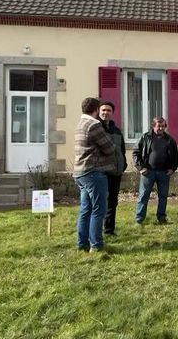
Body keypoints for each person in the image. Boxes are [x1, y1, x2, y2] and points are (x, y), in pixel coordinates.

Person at [73, 97, 115, 252]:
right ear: (96, 109)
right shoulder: (94, 124)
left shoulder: (80, 124)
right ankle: (96, 245)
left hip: (80, 172)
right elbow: (109, 148)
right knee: (99, 210)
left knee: (86, 209)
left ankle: (82, 244)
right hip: (93, 172)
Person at [133, 117, 178, 224]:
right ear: (153, 126)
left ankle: (161, 217)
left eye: (163, 126)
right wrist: (141, 168)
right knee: (144, 195)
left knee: (163, 196)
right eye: (159, 126)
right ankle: (139, 219)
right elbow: (136, 152)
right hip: (148, 172)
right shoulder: (145, 137)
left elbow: (175, 156)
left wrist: (172, 168)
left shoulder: (170, 140)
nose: (161, 128)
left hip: (164, 173)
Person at [99, 101, 127, 235]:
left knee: (113, 201)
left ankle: (109, 229)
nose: (106, 113)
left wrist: (124, 164)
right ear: (99, 111)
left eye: (108, 110)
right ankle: (97, 230)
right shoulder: (96, 128)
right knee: (100, 201)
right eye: (103, 110)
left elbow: (121, 149)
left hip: (116, 171)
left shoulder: (116, 130)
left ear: (112, 113)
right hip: (101, 171)